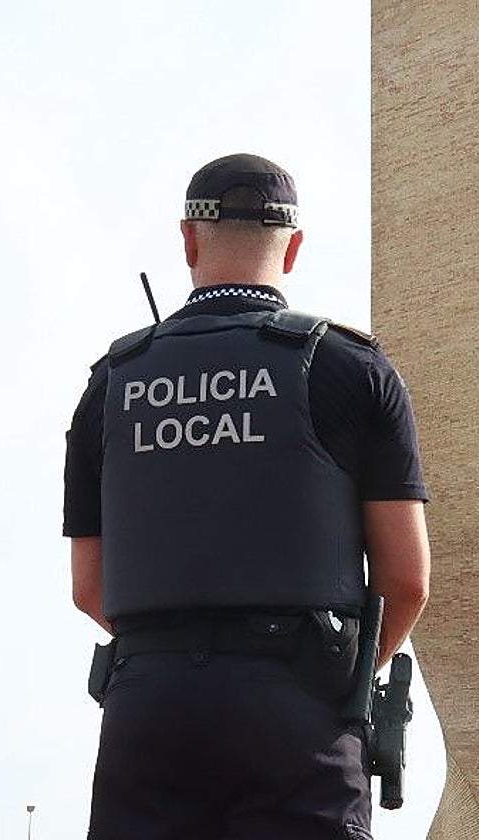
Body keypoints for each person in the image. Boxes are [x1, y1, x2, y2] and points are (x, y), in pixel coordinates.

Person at [62, 153, 431, 840]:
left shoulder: (110, 383)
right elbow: (406, 581)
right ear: (292, 248)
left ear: (188, 240)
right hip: (298, 712)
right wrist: (338, 680)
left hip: (149, 709)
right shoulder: (351, 368)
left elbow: (90, 587)